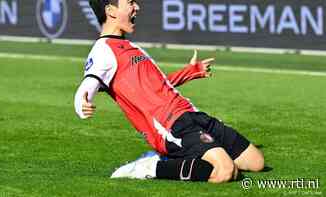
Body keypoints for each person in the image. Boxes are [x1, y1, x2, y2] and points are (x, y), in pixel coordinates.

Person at [74, 0, 264, 183]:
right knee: (225, 171)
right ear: (111, 10)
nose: (137, 7)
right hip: (170, 126)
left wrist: (190, 72)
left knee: (256, 163)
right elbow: (86, 87)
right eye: (130, 2)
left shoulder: (130, 47)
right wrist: (82, 103)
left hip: (190, 113)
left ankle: (185, 156)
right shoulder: (103, 51)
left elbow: (158, 85)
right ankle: (152, 167)